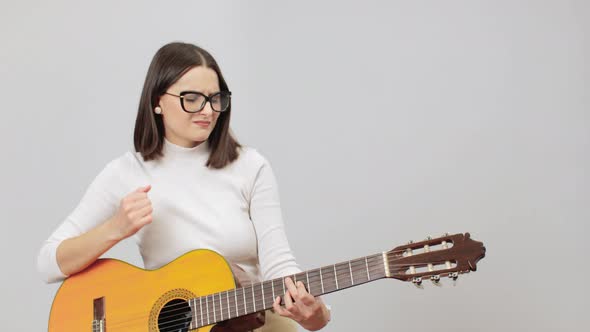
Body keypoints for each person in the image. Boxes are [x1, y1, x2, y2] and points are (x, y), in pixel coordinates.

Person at [37, 41, 331, 331]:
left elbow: (278, 263)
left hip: (252, 323)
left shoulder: (251, 166)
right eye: (192, 98)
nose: (208, 111)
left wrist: (314, 314)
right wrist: (114, 229)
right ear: (157, 101)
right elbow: (48, 263)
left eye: (216, 98)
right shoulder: (126, 173)